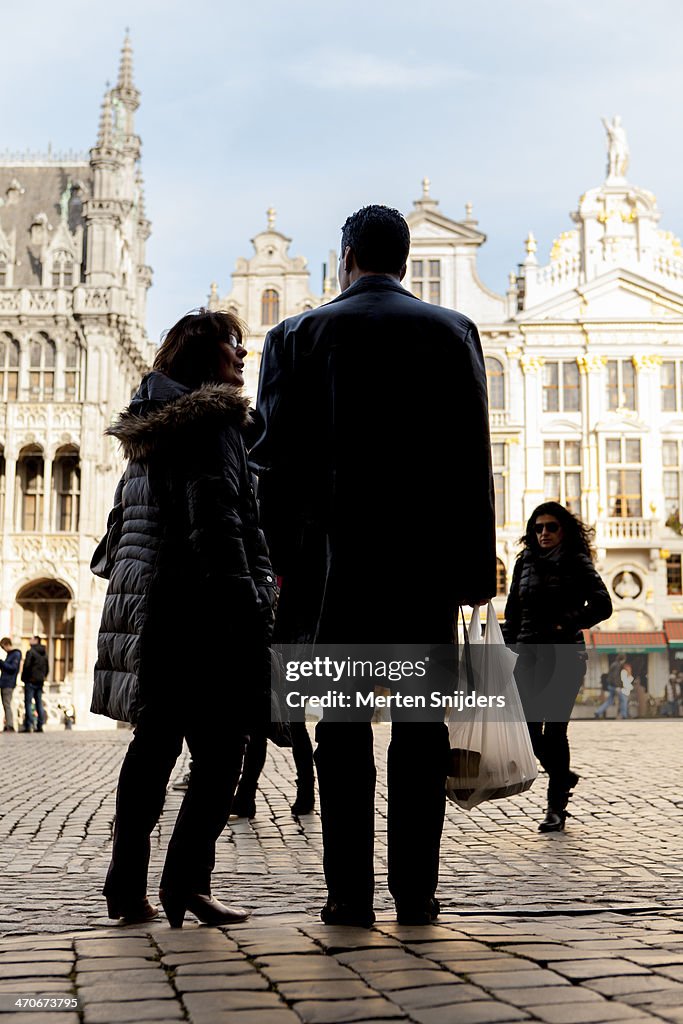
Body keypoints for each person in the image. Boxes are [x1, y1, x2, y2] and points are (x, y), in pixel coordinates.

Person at [252, 204, 496, 927]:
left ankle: (347, 896)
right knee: (421, 733)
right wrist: (473, 575)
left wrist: (278, 572)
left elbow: (272, 465)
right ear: (401, 256)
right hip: (422, 572)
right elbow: (471, 463)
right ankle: (416, 894)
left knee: (342, 731)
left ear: (346, 255)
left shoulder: (294, 334)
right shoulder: (452, 331)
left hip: (333, 573)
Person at [91, 308, 276, 927]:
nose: (242, 356)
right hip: (202, 608)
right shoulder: (211, 421)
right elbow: (218, 517)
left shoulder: (151, 425)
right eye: (233, 345)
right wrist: (249, 601)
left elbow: (124, 526)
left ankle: (128, 888)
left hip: (154, 606)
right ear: (205, 358)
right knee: (223, 751)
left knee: (154, 747)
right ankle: (186, 883)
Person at [504, 502, 612, 832]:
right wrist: (507, 653)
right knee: (528, 731)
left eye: (551, 527)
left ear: (563, 529)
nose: (544, 533)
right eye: (538, 528)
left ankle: (555, 809)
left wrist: (565, 624)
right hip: (528, 655)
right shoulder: (523, 562)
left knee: (555, 731)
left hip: (564, 656)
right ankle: (562, 775)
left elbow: (602, 605)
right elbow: (512, 613)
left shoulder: (575, 561)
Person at [21, 636, 49, 732]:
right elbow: (47, 668)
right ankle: (40, 725)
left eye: (32, 639)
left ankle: (29, 725)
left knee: (28, 703)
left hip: (30, 681)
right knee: (39, 703)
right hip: (40, 681)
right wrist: (42, 677)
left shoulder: (31, 652)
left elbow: (26, 666)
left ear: (36, 640)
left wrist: (24, 678)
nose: (29, 640)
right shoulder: (44, 653)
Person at [594, 654, 628, 720]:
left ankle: (598, 712)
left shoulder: (614, 664)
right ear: (623, 659)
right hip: (614, 686)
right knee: (623, 699)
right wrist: (617, 686)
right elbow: (615, 677)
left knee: (609, 701)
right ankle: (624, 715)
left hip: (611, 685)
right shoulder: (617, 665)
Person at [0, 638, 22, 732]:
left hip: (8, 683)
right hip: (5, 682)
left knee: (7, 704)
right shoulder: (10, 655)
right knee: (5, 704)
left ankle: (10, 725)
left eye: (3, 647)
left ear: (7, 644)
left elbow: (12, 668)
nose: (3, 649)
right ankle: (8, 724)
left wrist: (1, 663)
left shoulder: (15, 654)